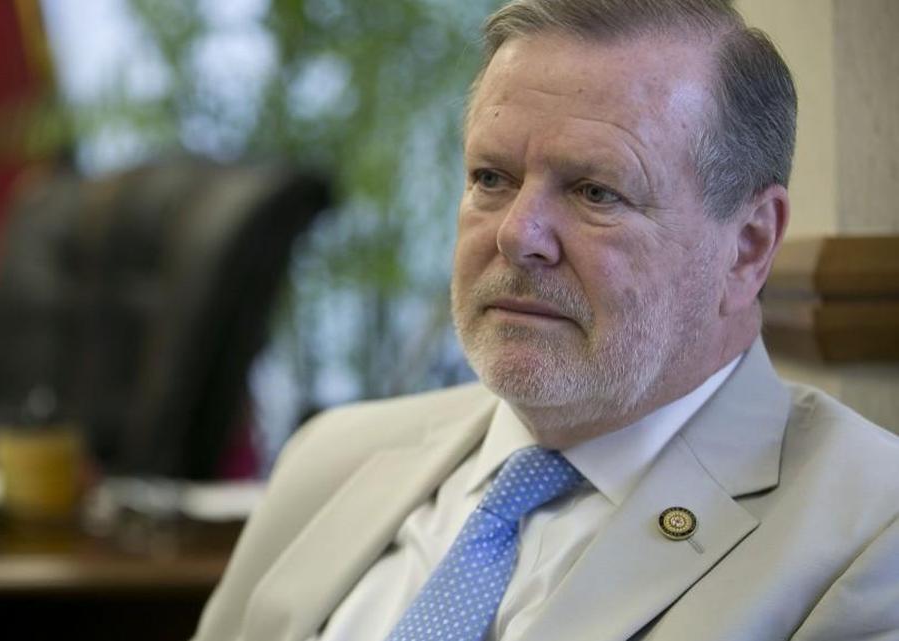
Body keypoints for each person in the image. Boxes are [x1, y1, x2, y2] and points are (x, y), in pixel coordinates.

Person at [192, 1, 899, 640]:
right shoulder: (331, 459)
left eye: (596, 191)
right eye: (491, 179)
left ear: (747, 246)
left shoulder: (869, 536)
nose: (517, 234)